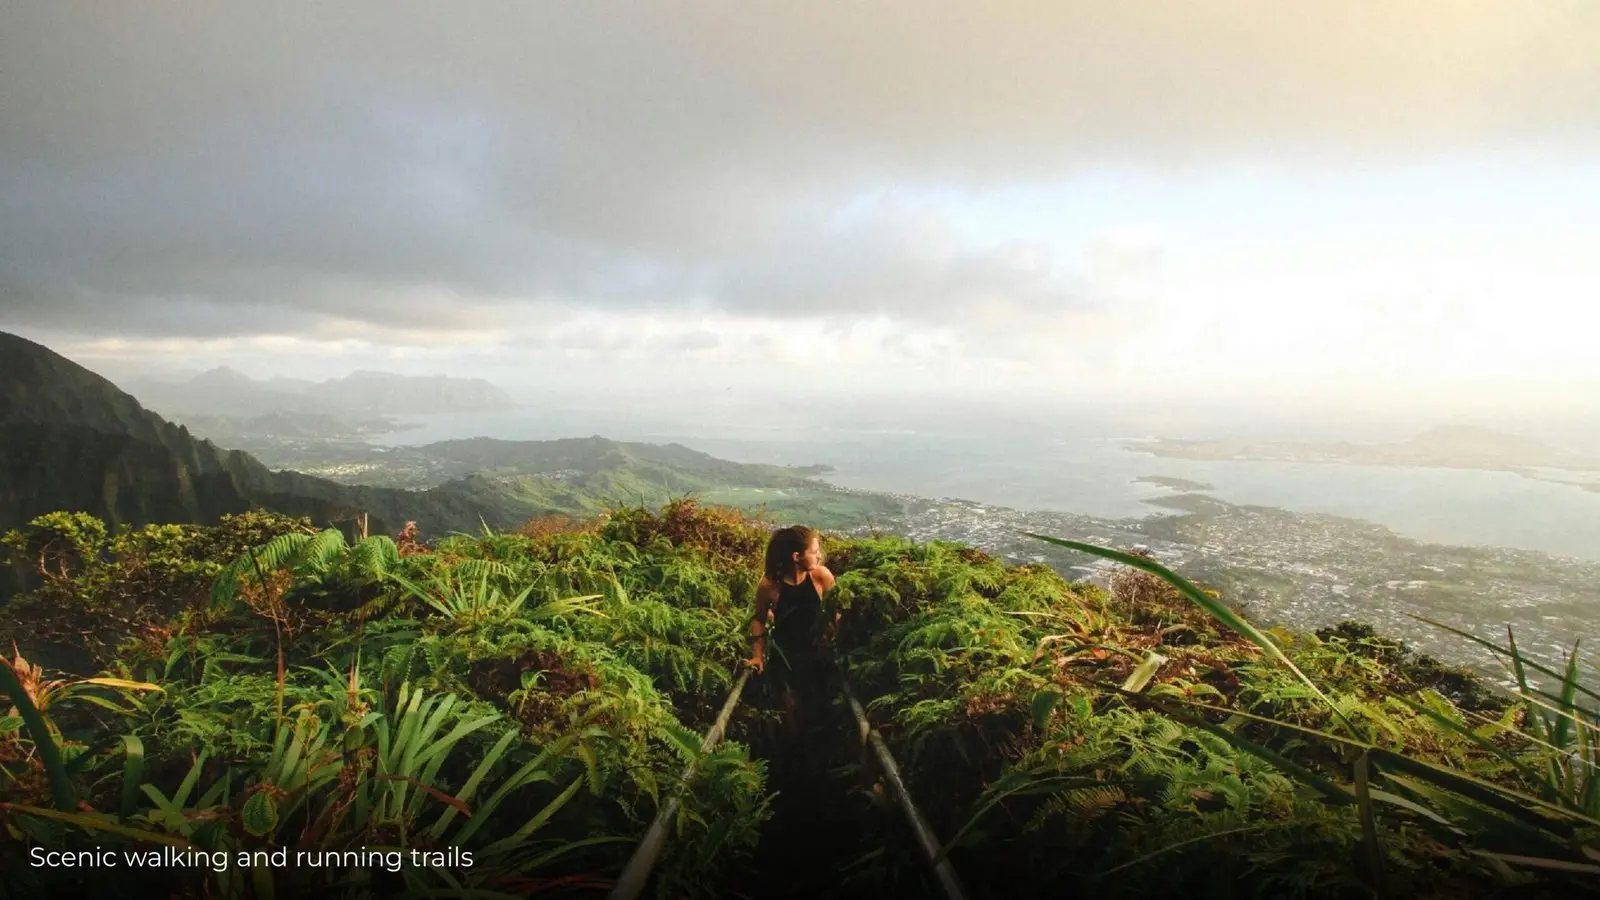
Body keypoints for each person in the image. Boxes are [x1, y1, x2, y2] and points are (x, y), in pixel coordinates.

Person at [743, 525, 838, 736]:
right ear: (796, 556)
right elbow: (758, 620)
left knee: (819, 710)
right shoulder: (770, 586)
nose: (819, 556)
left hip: (818, 656)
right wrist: (757, 656)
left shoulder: (821, 577)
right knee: (791, 714)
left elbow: (837, 614)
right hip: (786, 660)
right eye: (814, 552)